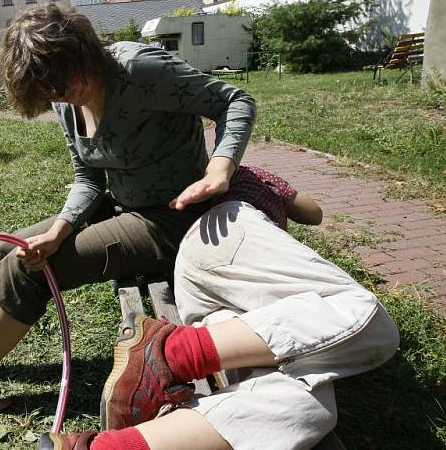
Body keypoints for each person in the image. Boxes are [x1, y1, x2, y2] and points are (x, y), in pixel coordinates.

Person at [0, 3, 257, 419]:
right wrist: (61, 229)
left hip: (173, 217)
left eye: (68, 77)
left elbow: (235, 100)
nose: (67, 92)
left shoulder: (139, 70)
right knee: (8, 251)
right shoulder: (62, 99)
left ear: (83, 48)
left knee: (30, 271)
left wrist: (220, 166)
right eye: (52, 90)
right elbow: (88, 179)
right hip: (119, 203)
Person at [40, 166, 400, 450]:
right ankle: (169, 353)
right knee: (370, 323)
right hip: (228, 233)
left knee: (307, 411)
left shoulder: (205, 175)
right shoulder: (252, 175)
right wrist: (279, 191)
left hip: (214, 287)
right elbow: (314, 213)